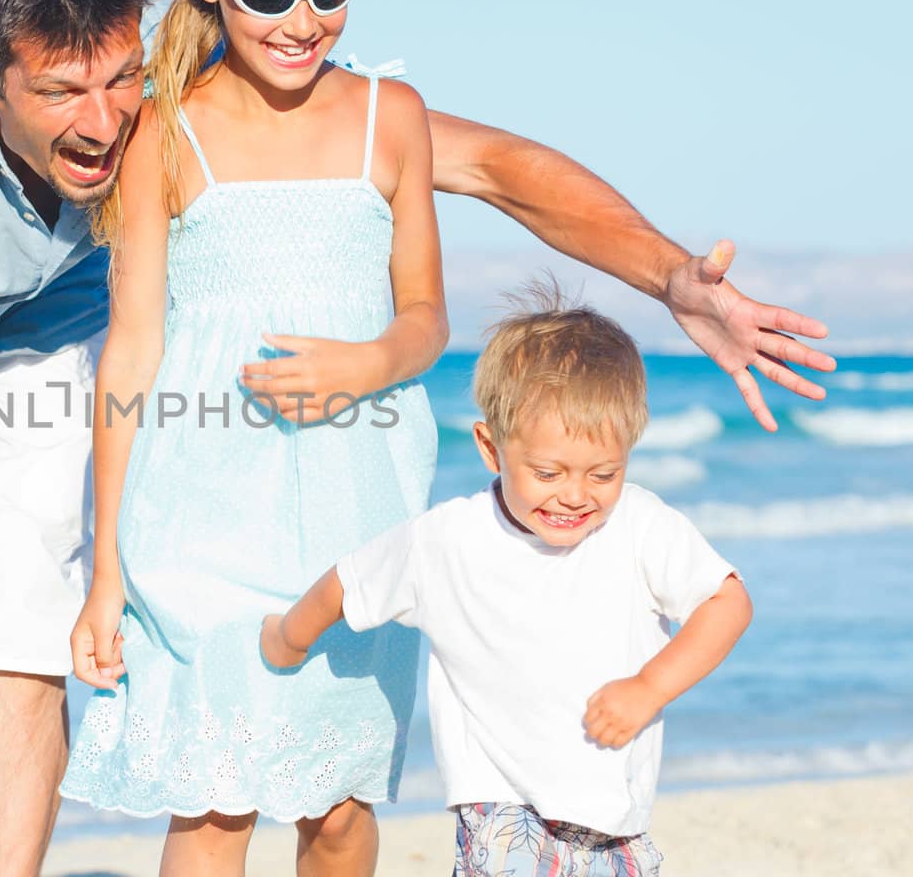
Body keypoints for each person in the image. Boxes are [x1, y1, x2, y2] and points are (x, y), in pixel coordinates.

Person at [0, 0, 825, 873]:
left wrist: (672, 274)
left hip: (59, 357)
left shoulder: (187, 83)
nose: (103, 119)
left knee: (18, 644)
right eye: (60, 94)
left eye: (116, 78)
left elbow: (492, 170)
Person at [59, 0, 440, 873]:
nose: (304, 22)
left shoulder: (392, 117)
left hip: (360, 507)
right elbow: (132, 352)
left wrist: (370, 363)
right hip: (198, 512)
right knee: (215, 804)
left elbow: (428, 318)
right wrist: (104, 572)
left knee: (338, 811)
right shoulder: (162, 127)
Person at [261, 285, 754, 876]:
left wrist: (650, 686)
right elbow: (347, 583)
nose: (575, 495)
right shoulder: (447, 540)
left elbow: (727, 602)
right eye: (548, 472)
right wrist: (288, 637)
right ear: (491, 449)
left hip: (613, 819)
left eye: (604, 473)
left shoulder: (640, 525)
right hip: (499, 812)